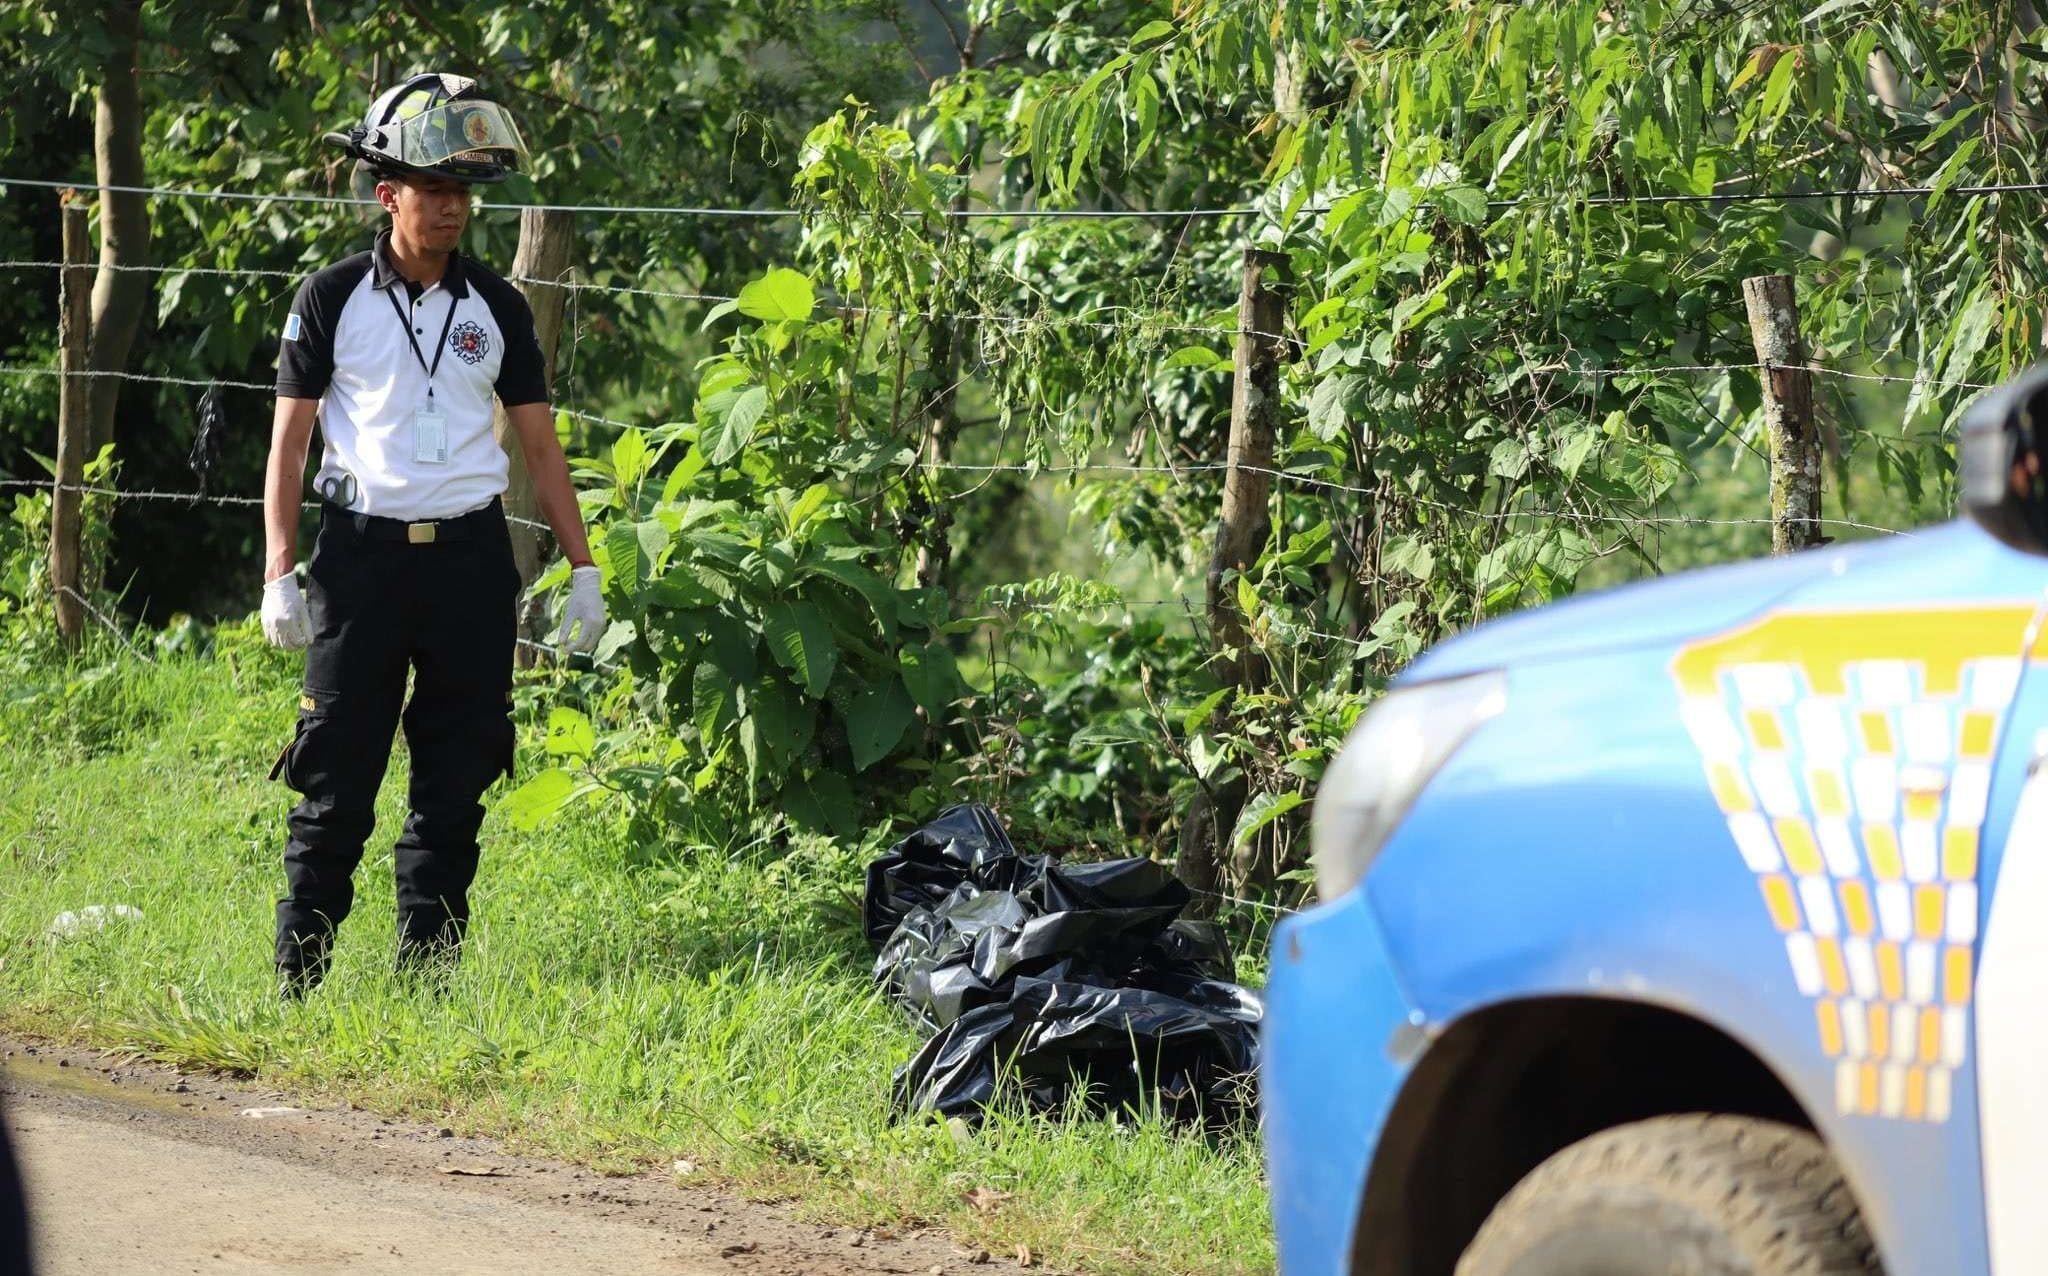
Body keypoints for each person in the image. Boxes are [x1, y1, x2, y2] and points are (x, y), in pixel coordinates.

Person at [258, 72, 605, 998]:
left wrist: (583, 569)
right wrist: (278, 574)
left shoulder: (496, 304)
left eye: (464, 194)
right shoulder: (329, 298)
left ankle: (427, 982)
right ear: (388, 196)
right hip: (360, 559)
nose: (453, 208)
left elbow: (539, 440)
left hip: (469, 562)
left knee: (456, 780)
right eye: (434, 191)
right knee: (335, 775)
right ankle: (300, 981)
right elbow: (289, 444)